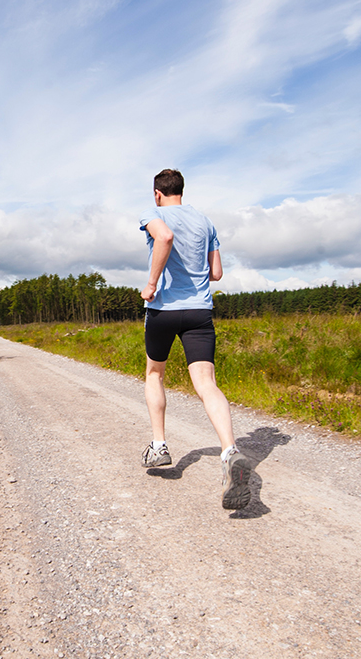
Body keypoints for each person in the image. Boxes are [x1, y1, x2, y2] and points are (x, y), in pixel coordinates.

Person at [139, 168, 253, 510]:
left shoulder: (153, 214)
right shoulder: (205, 222)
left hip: (163, 310)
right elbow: (216, 272)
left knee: (155, 373)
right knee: (206, 383)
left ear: (158, 193)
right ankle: (230, 451)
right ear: (181, 191)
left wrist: (151, 283)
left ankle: (159, 446)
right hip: (200, 311)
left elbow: (165, 238)